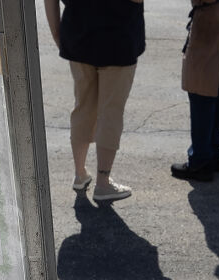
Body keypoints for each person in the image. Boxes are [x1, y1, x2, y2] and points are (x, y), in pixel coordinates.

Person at [46, 0, 146, 203]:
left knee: (83, 107)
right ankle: (103, 182)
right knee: (111, 111)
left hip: (78, 34)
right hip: (119, 36)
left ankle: (80, 173)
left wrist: (58, 34)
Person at [172, 0, 219, 182]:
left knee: (203, 90)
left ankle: (201, 159)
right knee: (216, 89)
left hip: (212, 21)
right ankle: (213, 153)